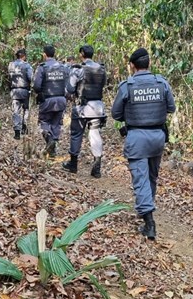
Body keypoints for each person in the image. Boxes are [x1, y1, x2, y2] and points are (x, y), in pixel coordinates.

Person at [111, 48, 175, 240]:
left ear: (132, 65)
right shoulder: (161, 83)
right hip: (157, 137)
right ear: (149, 63)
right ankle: (146, 209)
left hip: (137, 137)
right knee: (152, 177)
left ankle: (149, 223)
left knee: (141, 179)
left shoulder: (127, 86)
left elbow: (116, 114)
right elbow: (171, 107)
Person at [62, 45, 107, 178]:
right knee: (95, 134)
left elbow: (69, 89)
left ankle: (73, 164)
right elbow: (103, 84)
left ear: (82, 54)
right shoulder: (101, 69)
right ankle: (97, 167)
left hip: (82, 107)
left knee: (76, 134)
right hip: (98, 107)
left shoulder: (78, 70)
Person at [32, 44, 68, 157]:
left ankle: (49, 140)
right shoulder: (63, 67)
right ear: (54, 54)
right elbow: (68, 84)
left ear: (44, 54)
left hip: (47, 100)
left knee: (44, 122)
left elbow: (36, 86)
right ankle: (53, 148)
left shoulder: (42, 67)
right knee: (56, 123)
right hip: (61, 100)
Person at [8, 49, 33, 140]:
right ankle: (24, 127)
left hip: (14, 91)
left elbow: (9, 78)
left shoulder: (11, 65)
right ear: (23, 56)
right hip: (25, 91)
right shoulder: (27, 66)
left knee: (16, 111)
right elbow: (31, 78)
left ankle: (17, 132)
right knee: (26, 109)